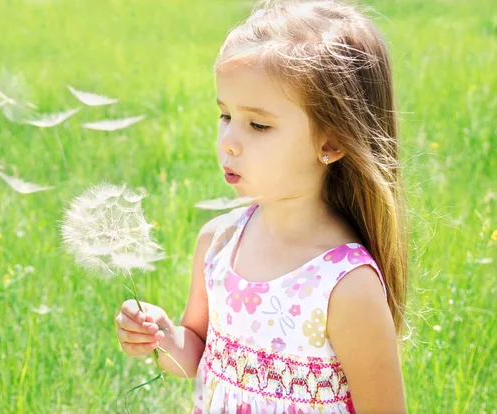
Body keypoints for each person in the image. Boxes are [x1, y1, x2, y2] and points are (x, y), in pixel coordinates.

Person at [115, 0, 409, 412]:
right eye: (225, 115)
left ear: (331, 142)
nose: (229, 141)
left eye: (258, 124)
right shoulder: (218, 242)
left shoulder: (344, 284)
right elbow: (198, 353)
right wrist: (161, 336)